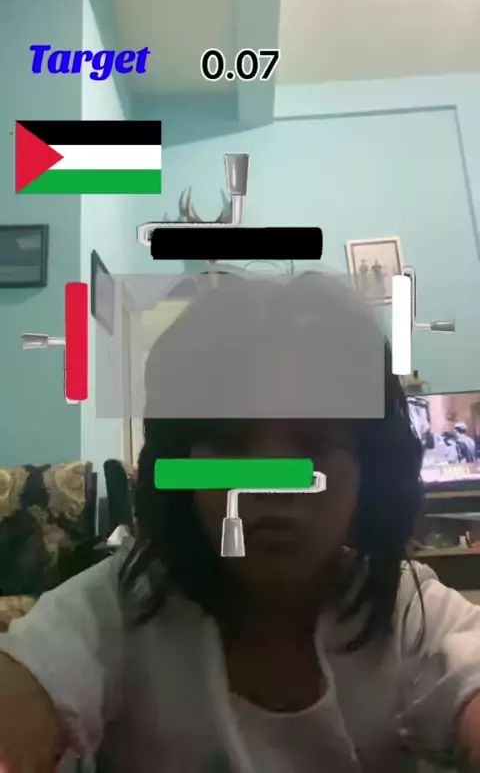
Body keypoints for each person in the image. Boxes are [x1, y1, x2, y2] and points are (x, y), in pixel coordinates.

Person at [2, 273, 480, 773]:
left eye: (314, 443)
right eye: (230, 443)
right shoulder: (120, 606)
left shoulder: (405, 611)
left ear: (369, 468)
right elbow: (28, 677)